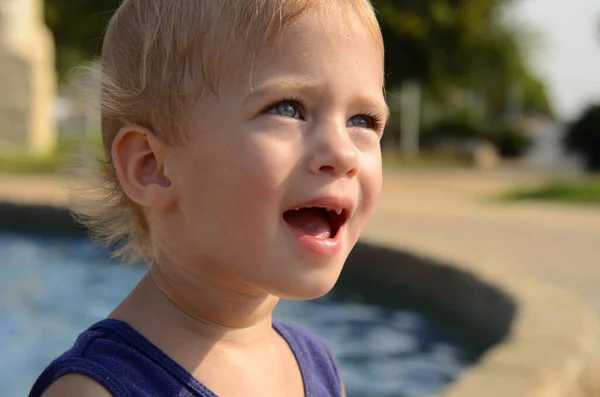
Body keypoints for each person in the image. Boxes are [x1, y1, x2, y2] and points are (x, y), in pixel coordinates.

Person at [30, 0, 388, 396]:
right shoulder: (96, 391)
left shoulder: (315, 363)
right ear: (151, 166)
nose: (342, 154)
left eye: (363, 120)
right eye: (288, 109)